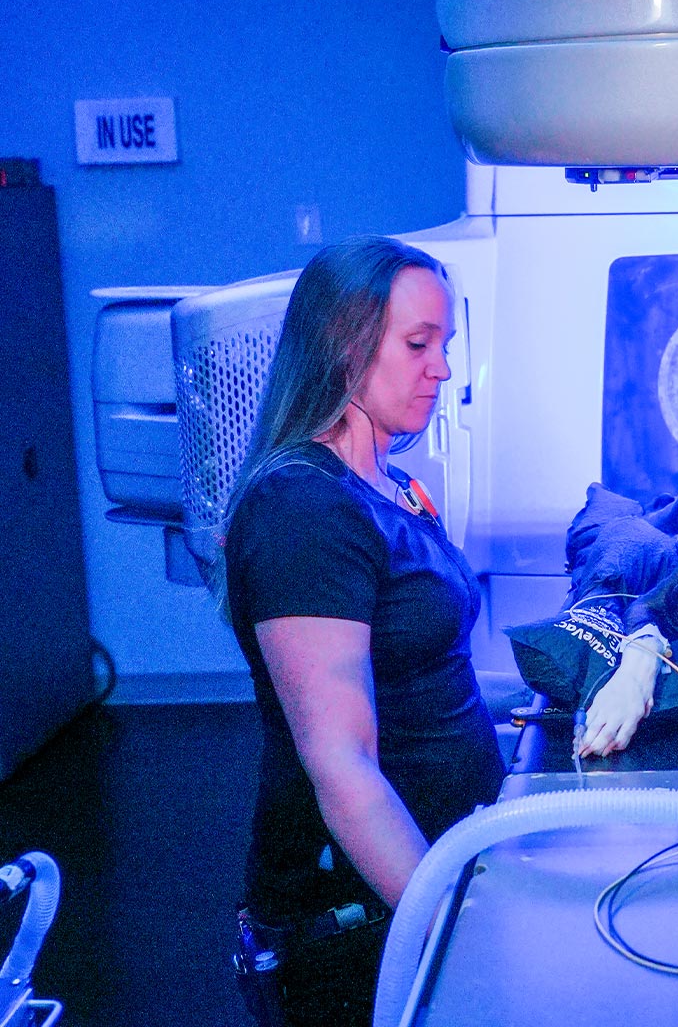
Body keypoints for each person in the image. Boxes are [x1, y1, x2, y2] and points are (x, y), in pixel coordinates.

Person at [222, 235, 504, 1024]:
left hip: (435, 869)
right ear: (343, 345)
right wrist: (445, 925)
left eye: (444, 344)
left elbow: (429, 672)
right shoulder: (304, 512)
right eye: (419, 344)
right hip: (359, 922)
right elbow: (342, 769)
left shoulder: (397, 487)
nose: (441, 369)